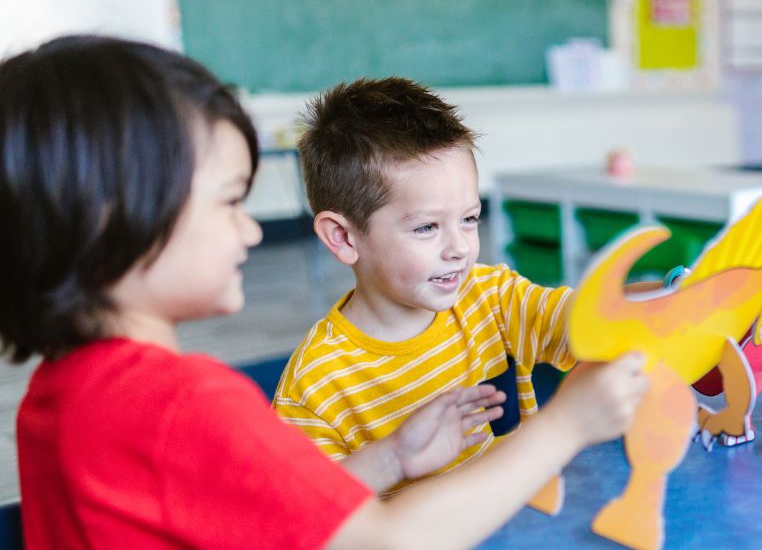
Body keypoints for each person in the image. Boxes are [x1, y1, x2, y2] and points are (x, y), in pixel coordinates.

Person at [0, 35, 647, 548]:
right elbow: (384, 542)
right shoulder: (181, 405)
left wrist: (390, 459)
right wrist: (567, 425)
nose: (250, 229)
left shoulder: (59, 394)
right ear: (117, 219)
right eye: (229, 202)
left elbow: (262, 523)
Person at [271, 78, 586, 503]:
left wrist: (667, 294)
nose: (459, 248)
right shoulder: (314, 389)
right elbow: (304, 515)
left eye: (470, 219)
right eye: (426, 227)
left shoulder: (492, 296)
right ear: (343, 238)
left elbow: (588, 317)